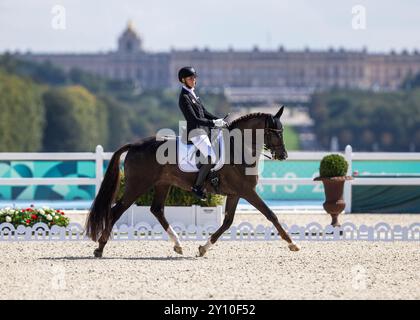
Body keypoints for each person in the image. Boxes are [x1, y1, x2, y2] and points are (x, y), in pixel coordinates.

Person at [178, 66, 227, 200]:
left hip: (204, 131)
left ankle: (212, 179)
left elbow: (204, 112)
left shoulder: (193, 93)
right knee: (212, 157)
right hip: (195, 132)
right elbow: (193, 119)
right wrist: (213, 123)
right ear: (183, 80)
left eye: (194, 77)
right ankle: (197, 187)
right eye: (190, 78)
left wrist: (218, 120)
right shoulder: (184, 97)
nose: (194, 80)